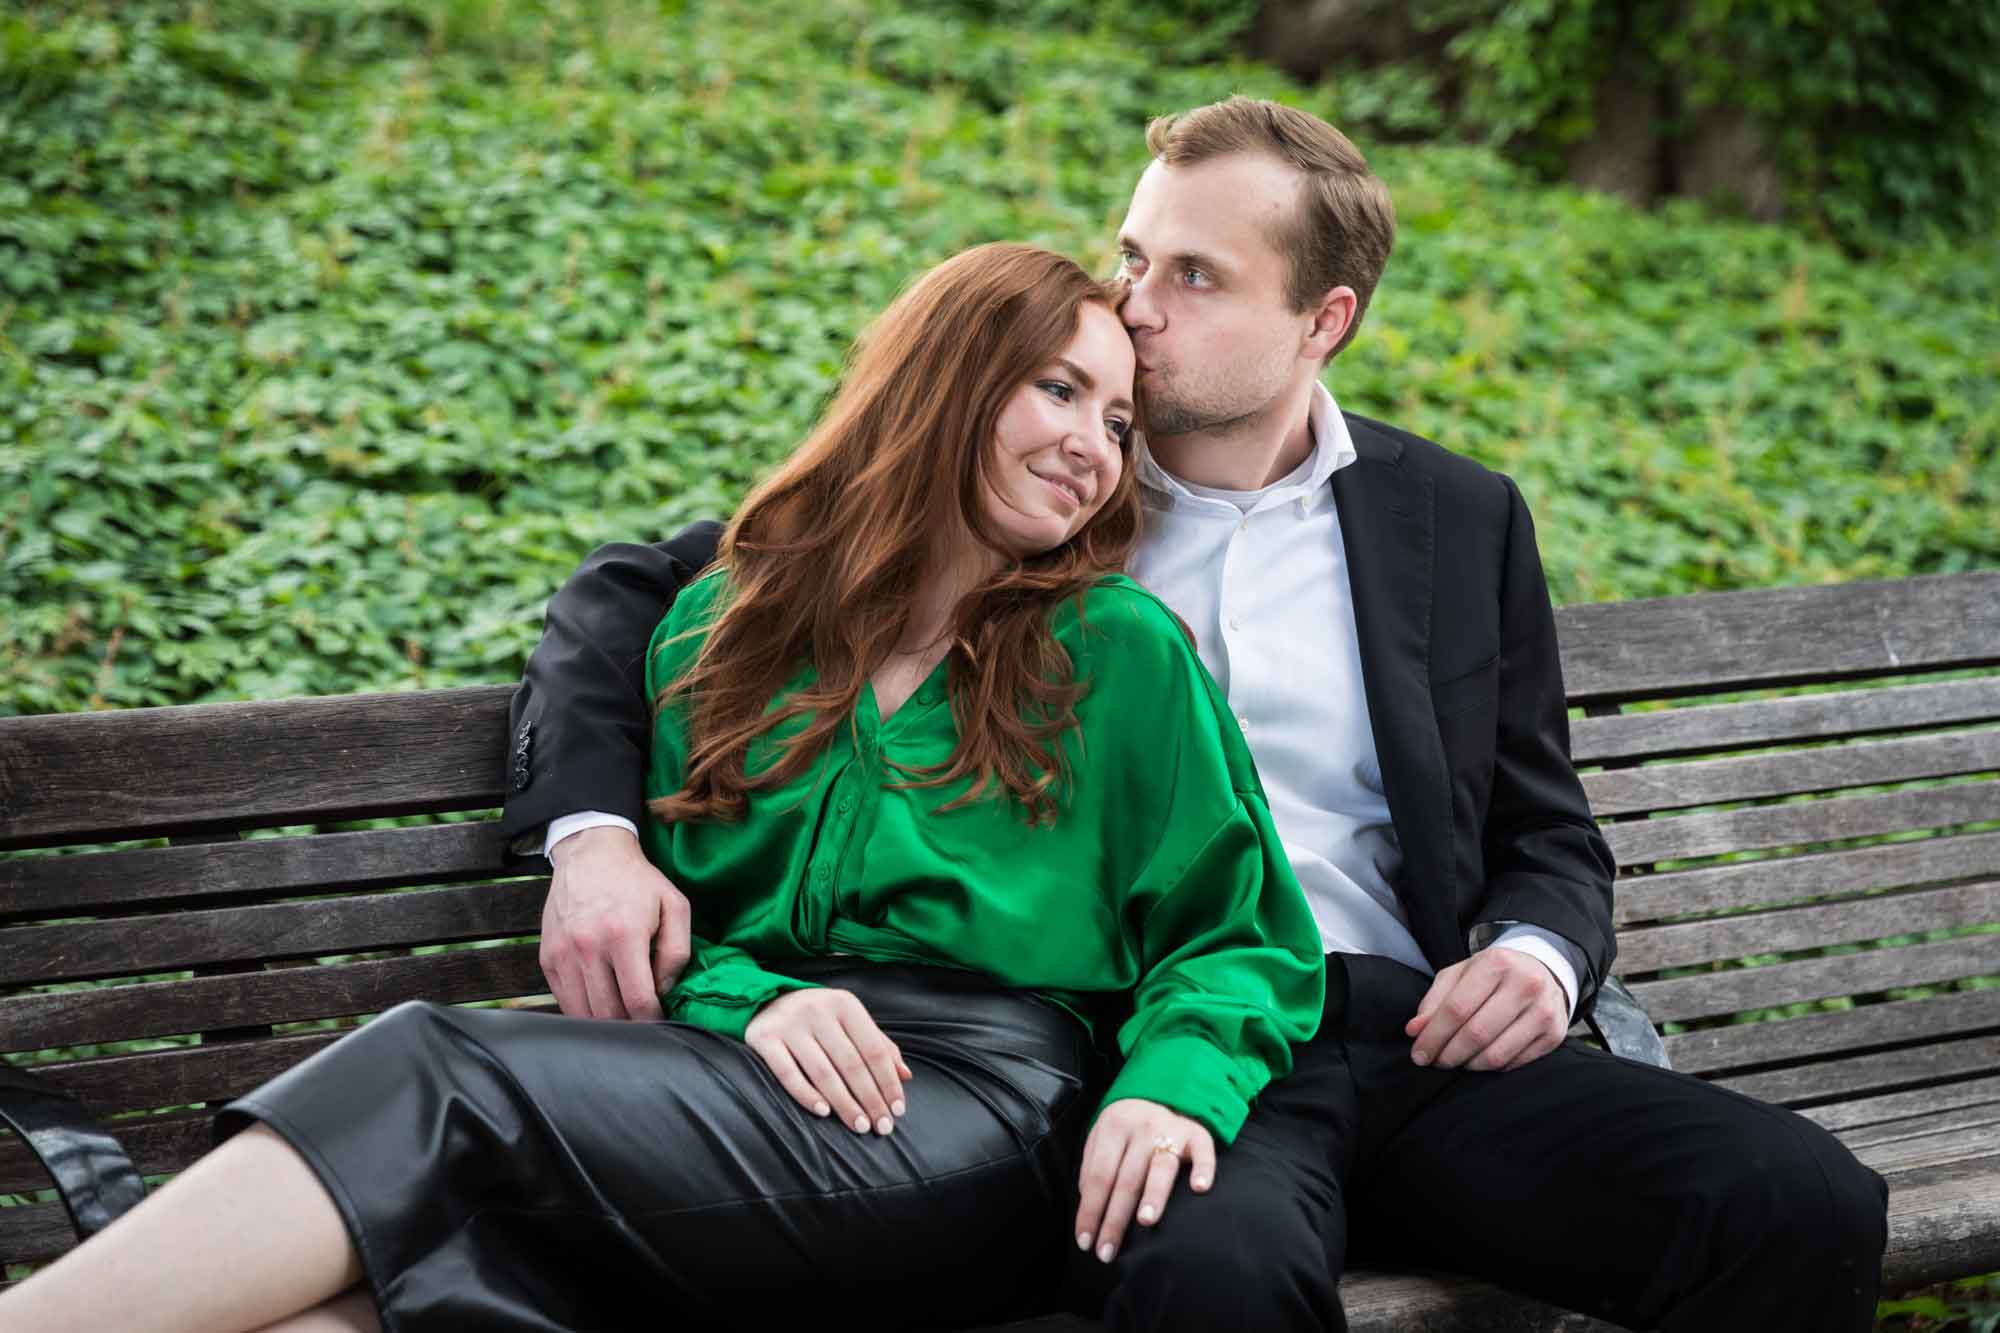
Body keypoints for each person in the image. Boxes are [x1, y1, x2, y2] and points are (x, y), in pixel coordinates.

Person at [501, 97, 1891, 1332]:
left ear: (1321, 320)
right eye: (1131, 254)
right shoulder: (1038, 474)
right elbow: (649, 593)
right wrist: (594, 837)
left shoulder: (1451, 518)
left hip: (1411, 1036)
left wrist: (1534, 955)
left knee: (1799, 1202)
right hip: (1160, 1038)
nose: (1136, 302)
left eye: (1194, 276)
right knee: (1208, 1284)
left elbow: (1545, 825)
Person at [0, 244, 1326, 1333]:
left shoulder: (1117, 653)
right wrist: (757, 1000)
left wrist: (1173, 1086)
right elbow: (689, 930)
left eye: (1115, 417)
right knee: (361, 1308)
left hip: (978, 1118)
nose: (1097, 445)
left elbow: (1240, 936)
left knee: (438, 1067)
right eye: (1057, 391)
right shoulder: (725, 631)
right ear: (944, 381)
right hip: (742, 1090)